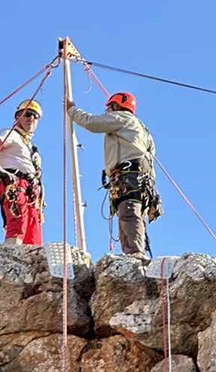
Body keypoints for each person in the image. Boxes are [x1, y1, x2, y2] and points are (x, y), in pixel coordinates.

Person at [66, 92, 161, 257]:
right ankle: (132, 253)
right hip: (139, 178)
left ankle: (135, 254)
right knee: (128, 213)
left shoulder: (122, 118)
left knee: (128, 212)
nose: (107, 111)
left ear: (116, 106)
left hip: (129, 176)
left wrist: (72, 111)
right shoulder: (143, 130)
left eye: (109, 107)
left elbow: (92, 123)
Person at [0, 101, 45, 247]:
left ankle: (29, 266)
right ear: (17, 117)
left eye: (36, 116)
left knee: (33, 234)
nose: (31, 118)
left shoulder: (30, 147)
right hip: (16, 184)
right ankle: (11, 256)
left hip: (31, 191)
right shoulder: (10, 134)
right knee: (18, 224)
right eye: (27, 114)